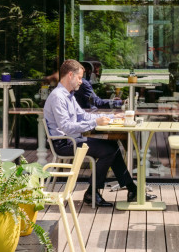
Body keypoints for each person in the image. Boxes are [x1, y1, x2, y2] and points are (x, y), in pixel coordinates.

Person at [44, 59, 153, 207]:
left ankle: (129, 189)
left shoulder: (68, 96)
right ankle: (95, 192)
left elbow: (83, 115)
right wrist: (96, 123)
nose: (81, 82)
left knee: (112, 146)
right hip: (64, 143)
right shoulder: (58, 97)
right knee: (109, 150)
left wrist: (112, 117)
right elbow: (66, 127)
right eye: (80, 77)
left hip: (72, 139)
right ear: (70, 75)